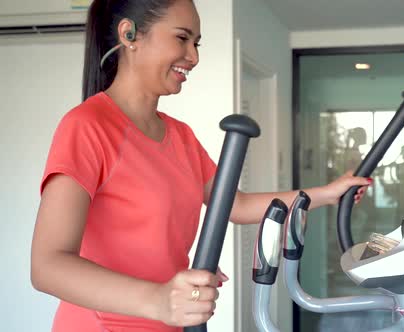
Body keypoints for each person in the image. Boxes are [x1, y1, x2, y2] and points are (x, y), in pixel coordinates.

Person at [29, 1, 371, 331]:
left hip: (171, 324)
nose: (193, 57)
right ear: (129, 34)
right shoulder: (88, 125)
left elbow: (235, 205)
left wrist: (327, 194)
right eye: (182, 38)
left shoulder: (180, 136)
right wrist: (159, 299)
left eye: (196, 43)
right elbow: (48, 266)